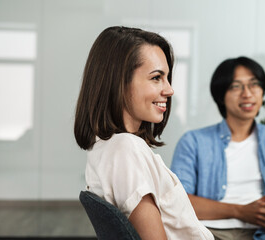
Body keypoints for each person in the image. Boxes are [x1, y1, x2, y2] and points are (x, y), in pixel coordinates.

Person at [74, 26, 214, 240]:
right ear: (119, 82)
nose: (169, 90)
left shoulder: (106, 147)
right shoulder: (125, 149)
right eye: (156, 77)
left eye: (167, 78)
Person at [171, 56, 265, 240]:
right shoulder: (193, 141)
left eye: (254, 84)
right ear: (221, 96)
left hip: (263, 234)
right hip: (208, 232)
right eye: (236, 86)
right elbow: (178, 202)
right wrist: (240, 211)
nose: (247, 94)